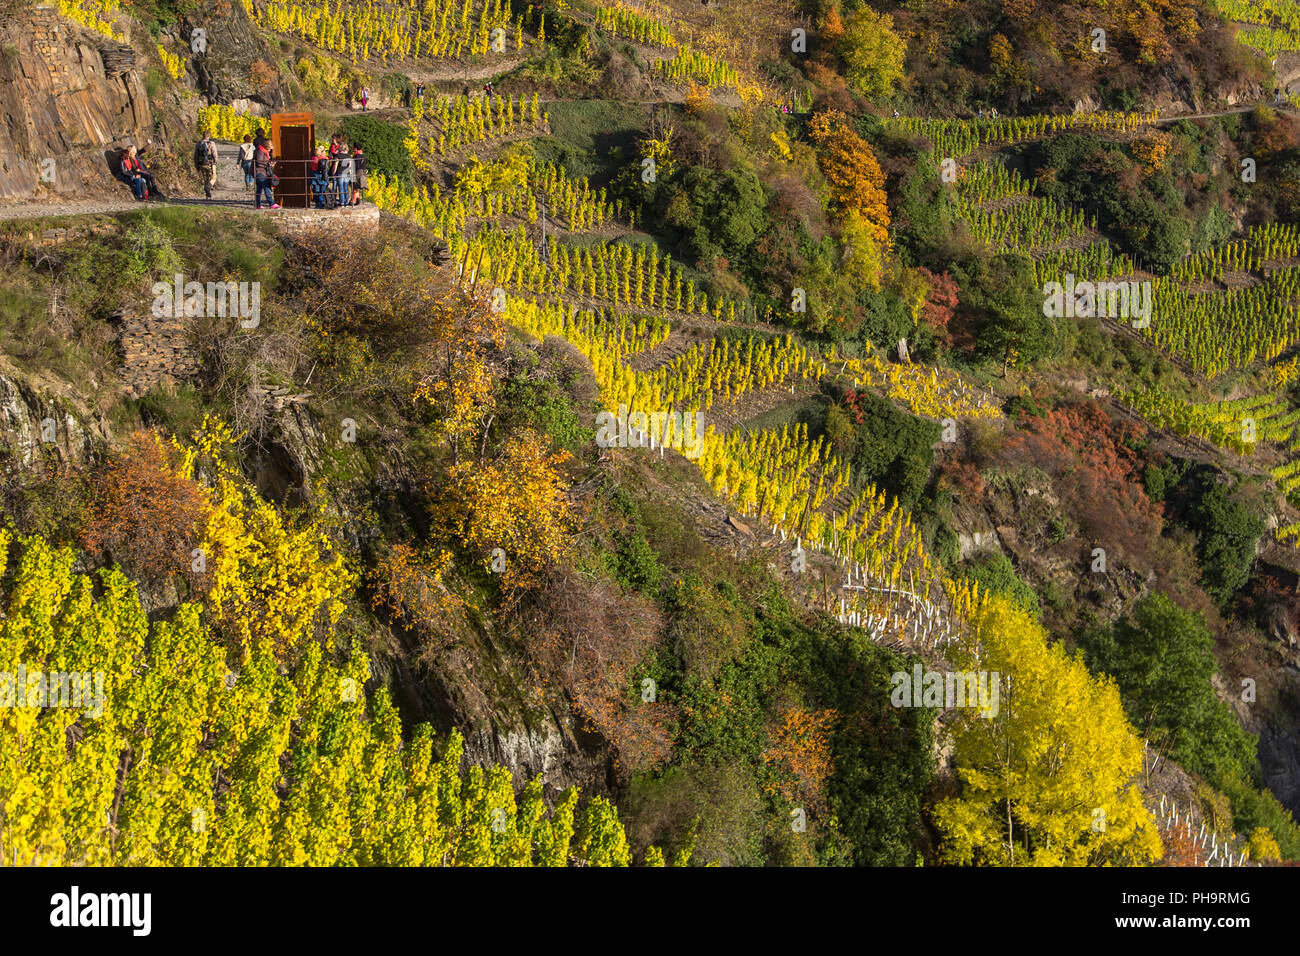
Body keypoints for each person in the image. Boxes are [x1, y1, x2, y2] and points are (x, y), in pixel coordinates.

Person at [253, 138, 278, 209]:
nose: (269, 150)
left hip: (261, 172)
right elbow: (259, 162)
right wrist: (269, 164)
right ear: (266, 147)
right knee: (266, 186)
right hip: (260, 172)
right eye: (269, 149)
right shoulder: (260, 152)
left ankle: (258, 205)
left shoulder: (262, 151)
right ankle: (271, 203)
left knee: (259, 189)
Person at [194, 132, 217, 199]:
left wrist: (196, 164)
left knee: (205, 179)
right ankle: (208, 187)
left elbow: (195, 155)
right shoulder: (211, 143)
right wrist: (215, 161)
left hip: (201, 163)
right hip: (210, 163)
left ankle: (208, 196)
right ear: (209, 136)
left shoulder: (198, 144)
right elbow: (214, 153)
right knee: (214, 177)